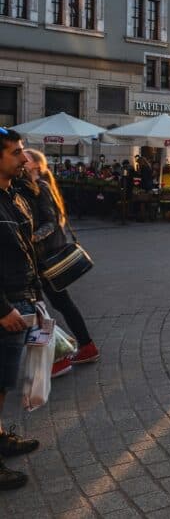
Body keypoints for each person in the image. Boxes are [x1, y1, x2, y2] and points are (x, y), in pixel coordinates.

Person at [22, 150, 100, 378]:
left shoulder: (41, 188)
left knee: (45, 307)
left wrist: (28, 237)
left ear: (36, 165)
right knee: (55, 304)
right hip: (40, 258)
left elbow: (52, 222)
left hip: (45, 258)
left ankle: (62, 354)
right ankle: (83, 346)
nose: (21, 161)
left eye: (25, 158)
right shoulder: (31, 188)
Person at [0, 129, 41, 491]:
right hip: (6, 306)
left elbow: (25, 245)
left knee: (2, 383)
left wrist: (36, 294)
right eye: (16, 154)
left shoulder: (12, 195)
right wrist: (2, 308)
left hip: (21, 296)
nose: (24, 160)